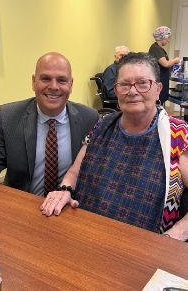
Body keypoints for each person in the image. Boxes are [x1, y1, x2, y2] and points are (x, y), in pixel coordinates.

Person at [41, 52, 188, 242]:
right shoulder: (102, 124)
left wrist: (174, 236)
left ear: (158, 89)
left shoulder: (179, 135)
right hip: (85, 233)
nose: (133, 91)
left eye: (143, 83)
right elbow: (74, 173)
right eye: (125, 85)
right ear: (116, 90)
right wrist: (64, 190)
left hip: (147, 248)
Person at [0, 52, 99, 202]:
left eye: (62, 80)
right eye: (45, 79)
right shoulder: (8, 117)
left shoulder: (89, 118)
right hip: (22, 206)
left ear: (71, 84)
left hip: (69, 206)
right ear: (33, 82)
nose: (54, 86)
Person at [149, 26, 181, 104]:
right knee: (158, 101)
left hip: (162, 79)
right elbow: (165, 64)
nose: (168, 40)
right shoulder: (156, 48)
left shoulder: (158, 48)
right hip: (159, 79)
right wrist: (175, 60)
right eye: (167, 38)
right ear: (162, 37)